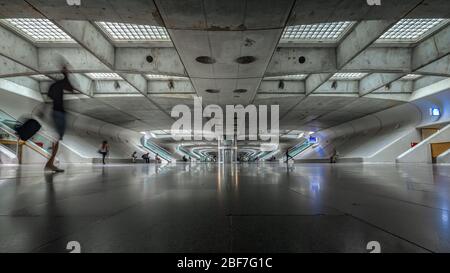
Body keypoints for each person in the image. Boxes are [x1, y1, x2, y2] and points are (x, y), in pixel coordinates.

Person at [45, 67, 75, 172]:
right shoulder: (60, 83)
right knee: (57, 138)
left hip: (55, 112)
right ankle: (49, 164)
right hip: (59, 113)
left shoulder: (53, 86)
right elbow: (71, 89)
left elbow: (49, 98)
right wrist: (67, 74)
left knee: (56, 138)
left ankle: (50, 163)